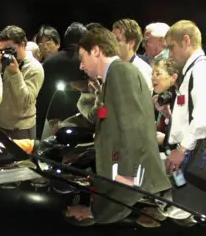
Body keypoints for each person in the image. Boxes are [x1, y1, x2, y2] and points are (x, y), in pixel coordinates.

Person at [65, 27, 170, 224]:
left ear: (96, 50)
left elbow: (132, 124)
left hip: (129, 176)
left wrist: (127, 173)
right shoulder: (114, 76)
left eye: (82, 57)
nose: (81, 65)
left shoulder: (121, 72)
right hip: (122, 175)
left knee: (105, 219)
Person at [163, 20, 206, 218]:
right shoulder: (194, 70)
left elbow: (205, 118)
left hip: (197, 157)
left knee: (195, 219)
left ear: (186, 41)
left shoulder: (203, 69)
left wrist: (181, 149)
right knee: (186, 215)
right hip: (189, 157)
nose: (170, 54)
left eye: (171, 47)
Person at [36, 22, 88, 138]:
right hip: (82, 121)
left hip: (50, 122)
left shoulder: (49, 62)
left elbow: (41, 96)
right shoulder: (87, 62)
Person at [0, 26, 44, 140]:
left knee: (23, 159)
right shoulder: (1, 63)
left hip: (21, 130)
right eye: (3, 50)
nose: (6, 54)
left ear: (23, 45)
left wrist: (15, 73)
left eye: (10, 49)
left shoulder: (35, 68)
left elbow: (26, 101)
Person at [112, 19, 152, 85]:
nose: (112, 43)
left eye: (117, 40)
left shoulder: (142, 71)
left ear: (131, 43)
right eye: (111, 39)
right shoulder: (112, 68)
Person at [151, 57, 179, 146]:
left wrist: (165, 139)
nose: (153, 77)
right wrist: (166, 113)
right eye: (152, 74)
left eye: (158, 74)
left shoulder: (179, 98)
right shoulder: (159, 98)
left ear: (173, 78)